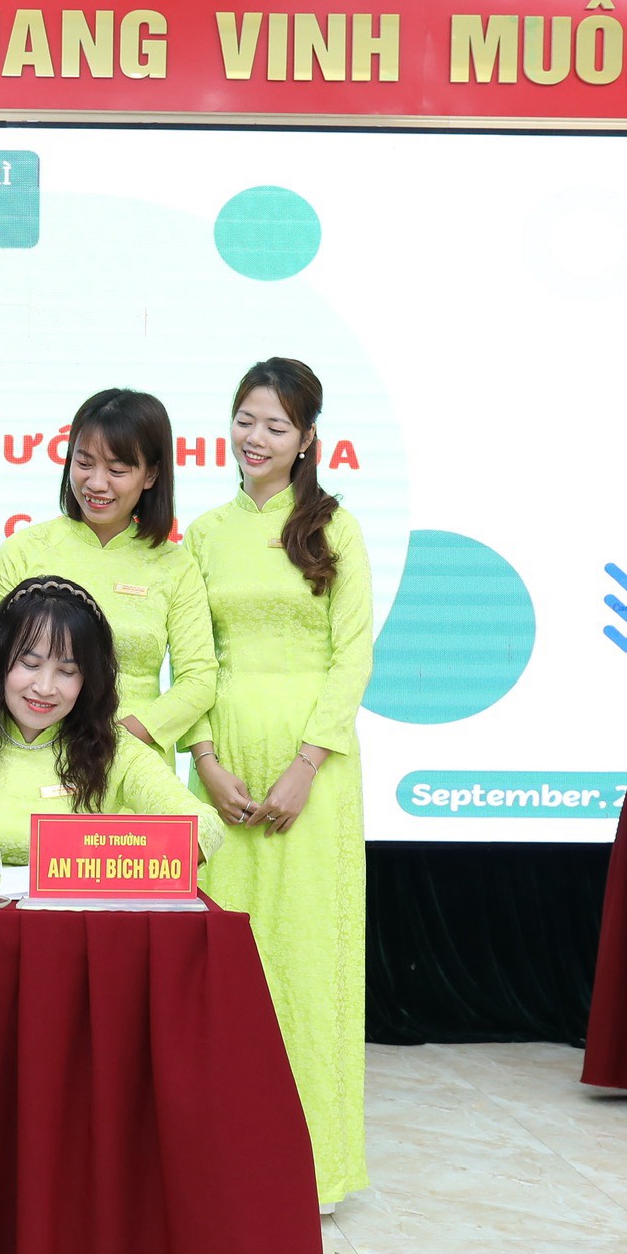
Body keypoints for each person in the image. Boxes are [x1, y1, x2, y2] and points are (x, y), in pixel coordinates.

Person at [184, 356, 374, 1208]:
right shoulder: (203, 534)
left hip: (315, 771)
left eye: (275, 425)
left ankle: (314, 1168)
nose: (255, 437)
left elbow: (352, 656)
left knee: (307, 953)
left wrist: (305, 767)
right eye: (245, 419)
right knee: (229, 960)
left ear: (307, 440)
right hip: (223, 763)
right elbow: (192, 661)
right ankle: (225, 1162)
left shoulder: (336, 529)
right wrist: (206, 761)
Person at [0, 575, 222, 866]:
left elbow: (204, 828)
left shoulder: (114, 749)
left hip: (75, 912)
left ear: (88, 680)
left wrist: (111, 861)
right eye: (30, 664)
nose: (44, 687)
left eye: (67, 671)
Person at [0, 388, 215, 766]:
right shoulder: (23, 551)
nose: (96, 483)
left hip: (136, 760)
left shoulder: (176, 565)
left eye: (117, 470)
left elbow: (198, 680)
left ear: (151, 474)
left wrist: (118, 737)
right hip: (33, 757)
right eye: (84, 463)